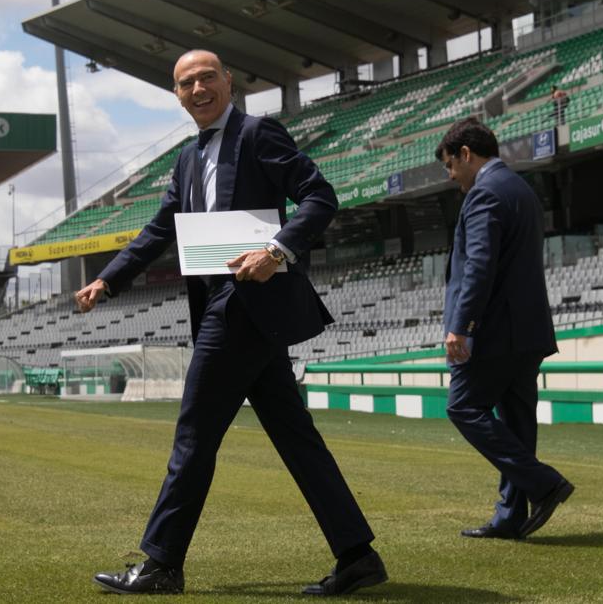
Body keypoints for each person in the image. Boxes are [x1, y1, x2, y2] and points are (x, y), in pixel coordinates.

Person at [80, 49, 386, 596]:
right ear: (176, 96)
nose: (197, 89)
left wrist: (276, 251)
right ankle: (358, 556)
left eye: (206, 78)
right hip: (234, 308)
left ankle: (161, 563)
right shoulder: (186, 159)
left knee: (194, 434)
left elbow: (320, 197)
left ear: (229, 83)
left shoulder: (258, 135)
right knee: (297, 440)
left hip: (244, 304)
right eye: (185, 83)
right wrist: (110, 279)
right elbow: (160, 229)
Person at [436, 117, 573, 540]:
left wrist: (462, 325)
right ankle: (510, 515)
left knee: (463, 407)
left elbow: (479, 266)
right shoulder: (520, 189)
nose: (451, 176)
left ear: (466, 154)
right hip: (527, 331)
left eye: (450, 165)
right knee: (517, 423)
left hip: (496, 332)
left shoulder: (484, 194)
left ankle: (544, 483)